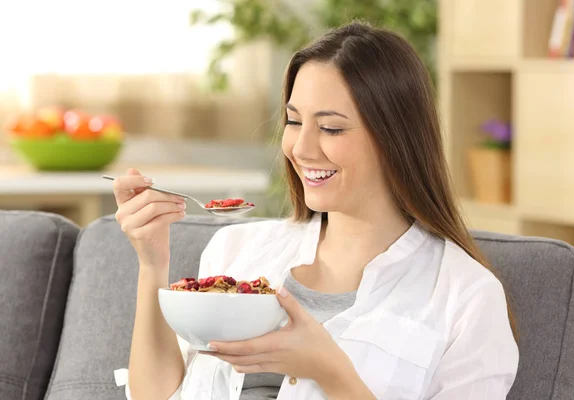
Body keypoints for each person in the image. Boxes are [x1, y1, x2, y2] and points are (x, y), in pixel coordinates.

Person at [112, 21, 519, 400]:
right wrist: (152, 263)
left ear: (396, 137)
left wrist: (329, 371)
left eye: (331, 128)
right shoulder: (236, 250)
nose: (301, 149)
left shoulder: (466, 296)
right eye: (293, 121)